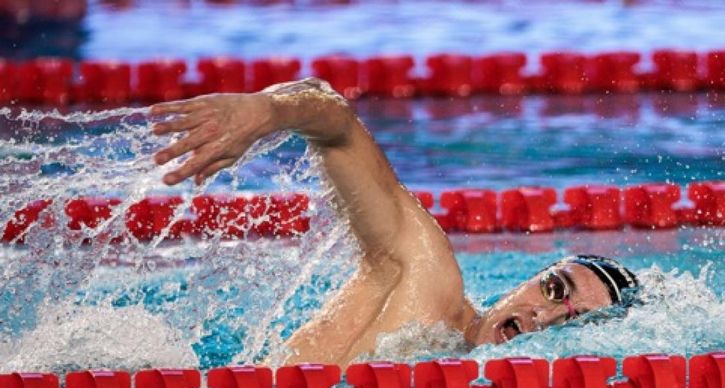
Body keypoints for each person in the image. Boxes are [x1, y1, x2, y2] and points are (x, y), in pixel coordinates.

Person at [151, 78, 638, 367]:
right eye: (554, 290)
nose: (543, 316)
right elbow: (336, 119)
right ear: (526, 282)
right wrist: (268, 111)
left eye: (575, 320)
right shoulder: (427, 281)